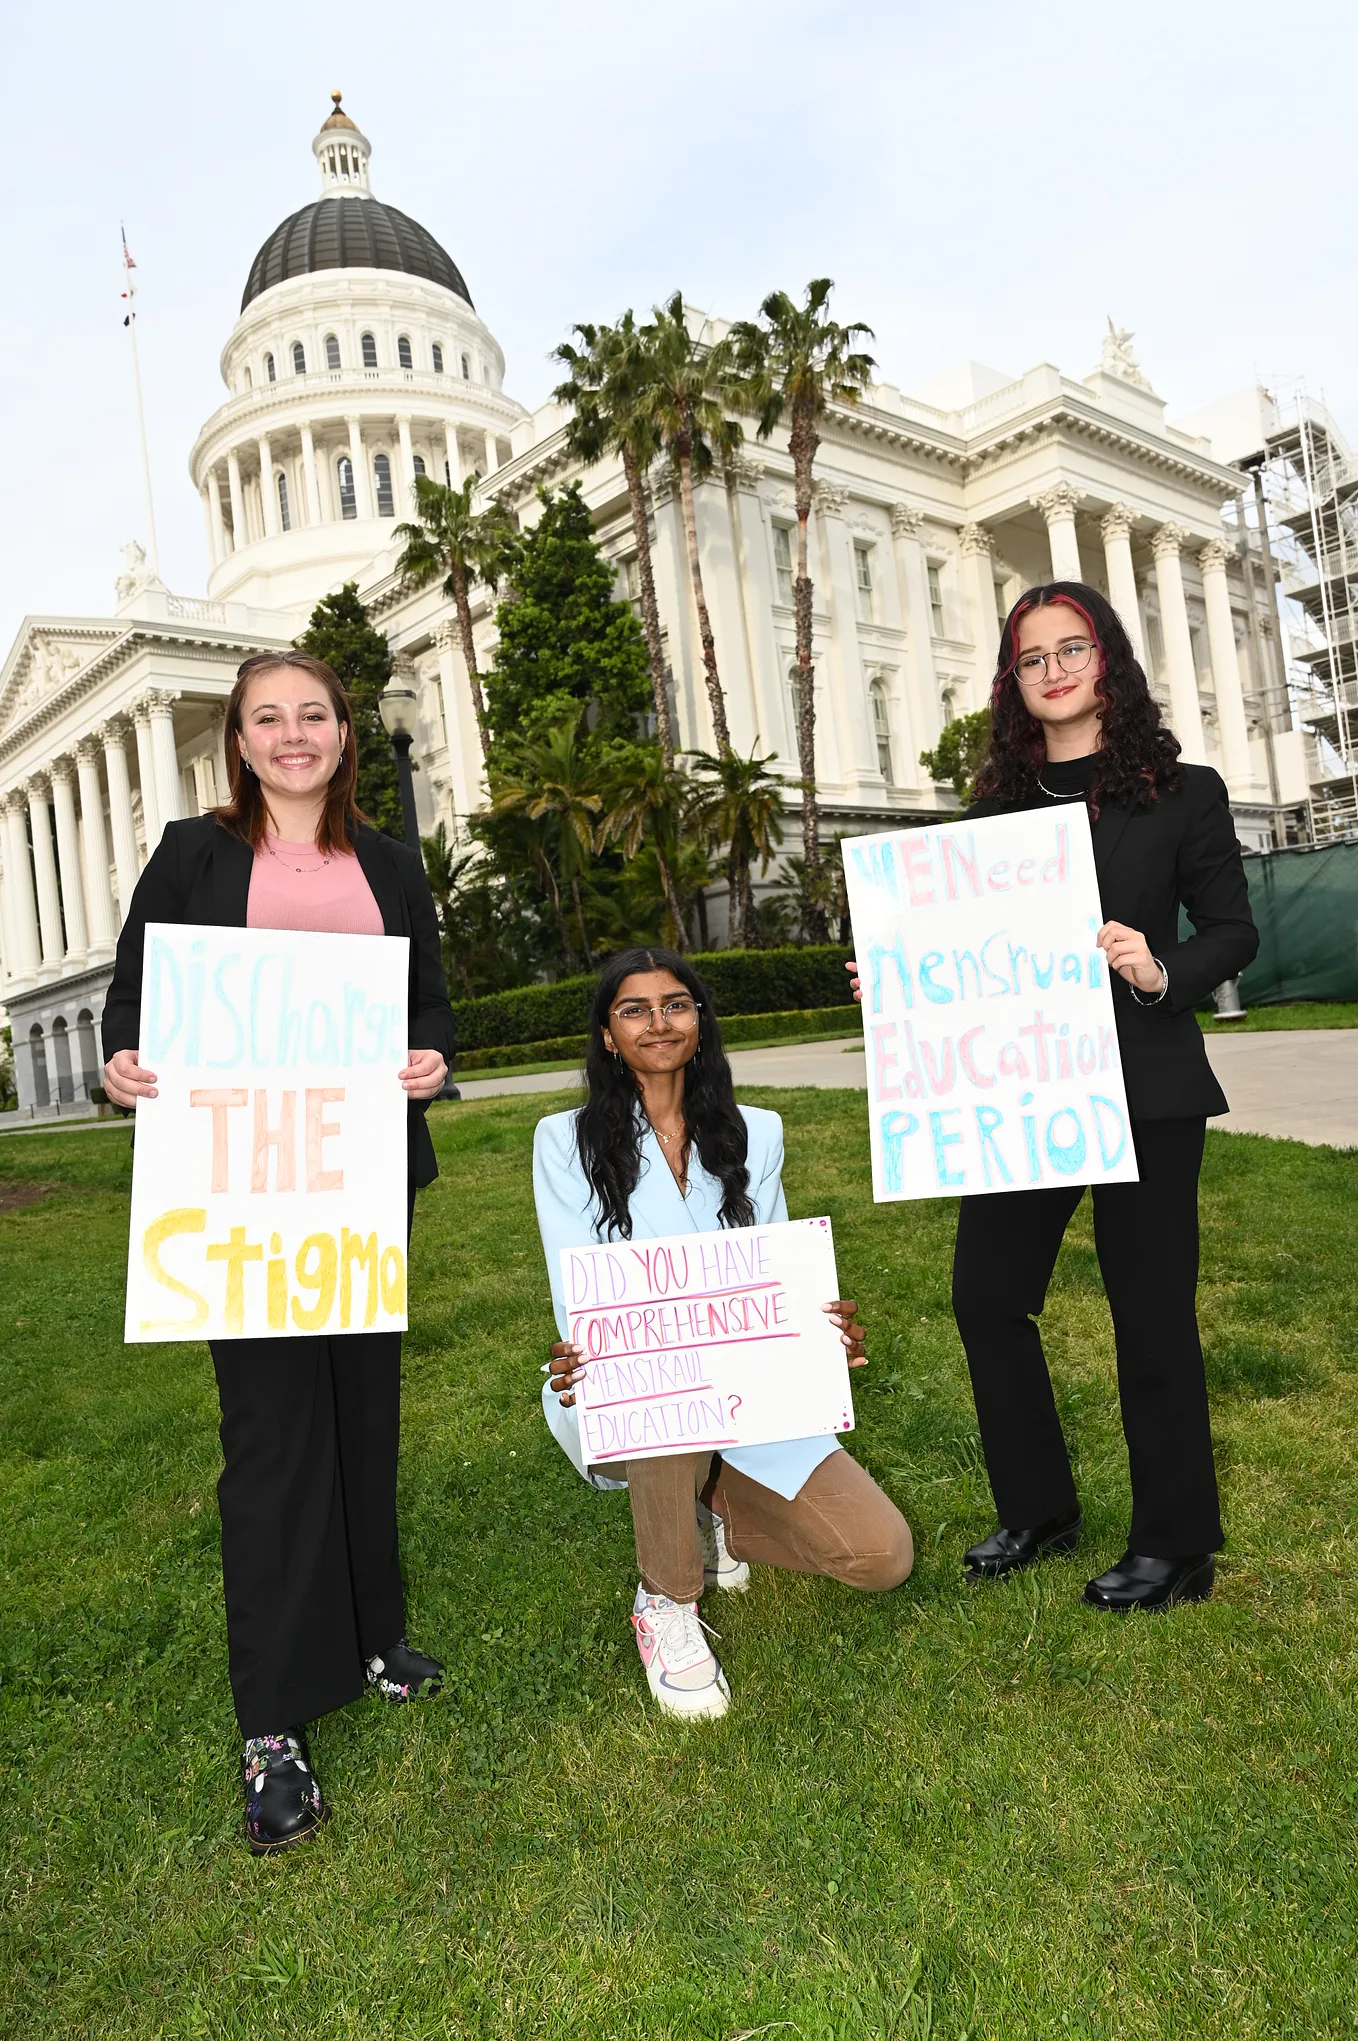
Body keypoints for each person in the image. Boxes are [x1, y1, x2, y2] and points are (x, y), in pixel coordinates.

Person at [101, 650, 455, 1852]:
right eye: (269, 718)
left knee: (363, 1407)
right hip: (235, 1189)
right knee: (268, 1438)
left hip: (358, 1182)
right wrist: (121, 1067)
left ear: (345, 733)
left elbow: (430, 1011)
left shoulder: (392, 865)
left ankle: (373, 1632)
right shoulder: (195, 855)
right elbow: (136, 999)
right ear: (240, 742)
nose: (293, 734)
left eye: (313, 714)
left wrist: (431, 1063)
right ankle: (272, 1719)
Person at [848, 580, 1258, 1612]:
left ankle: (1174, 1543)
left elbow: (1231, 932)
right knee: (984, 1297)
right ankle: (1036, 1508)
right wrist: (891, 972)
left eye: (1069, 649)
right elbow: (954, 947)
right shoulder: (989, 812)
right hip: (1020, 1090)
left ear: (1105, 659)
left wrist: (1158, 967)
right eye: (1030, 660)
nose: (1052, 671)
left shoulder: (1185, 792)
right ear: (1012, 682)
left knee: (1150, 1314)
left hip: (1143, 1089)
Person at [533, 946, 913, 1721]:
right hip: (629, 1389)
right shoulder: (563, 1142)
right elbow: (579, 1289)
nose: (657, 1021)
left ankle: (718, 1506)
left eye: (676, 1003)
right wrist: (587, 1353)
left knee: (881, 1555)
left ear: (700, 1023)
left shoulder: (757, 1131)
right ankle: (666, 1595)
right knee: (662, 1384)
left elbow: (771, 1271)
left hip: (746, 1392)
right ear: (608, 1034)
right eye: (633, 1008)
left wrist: (818, 1329)